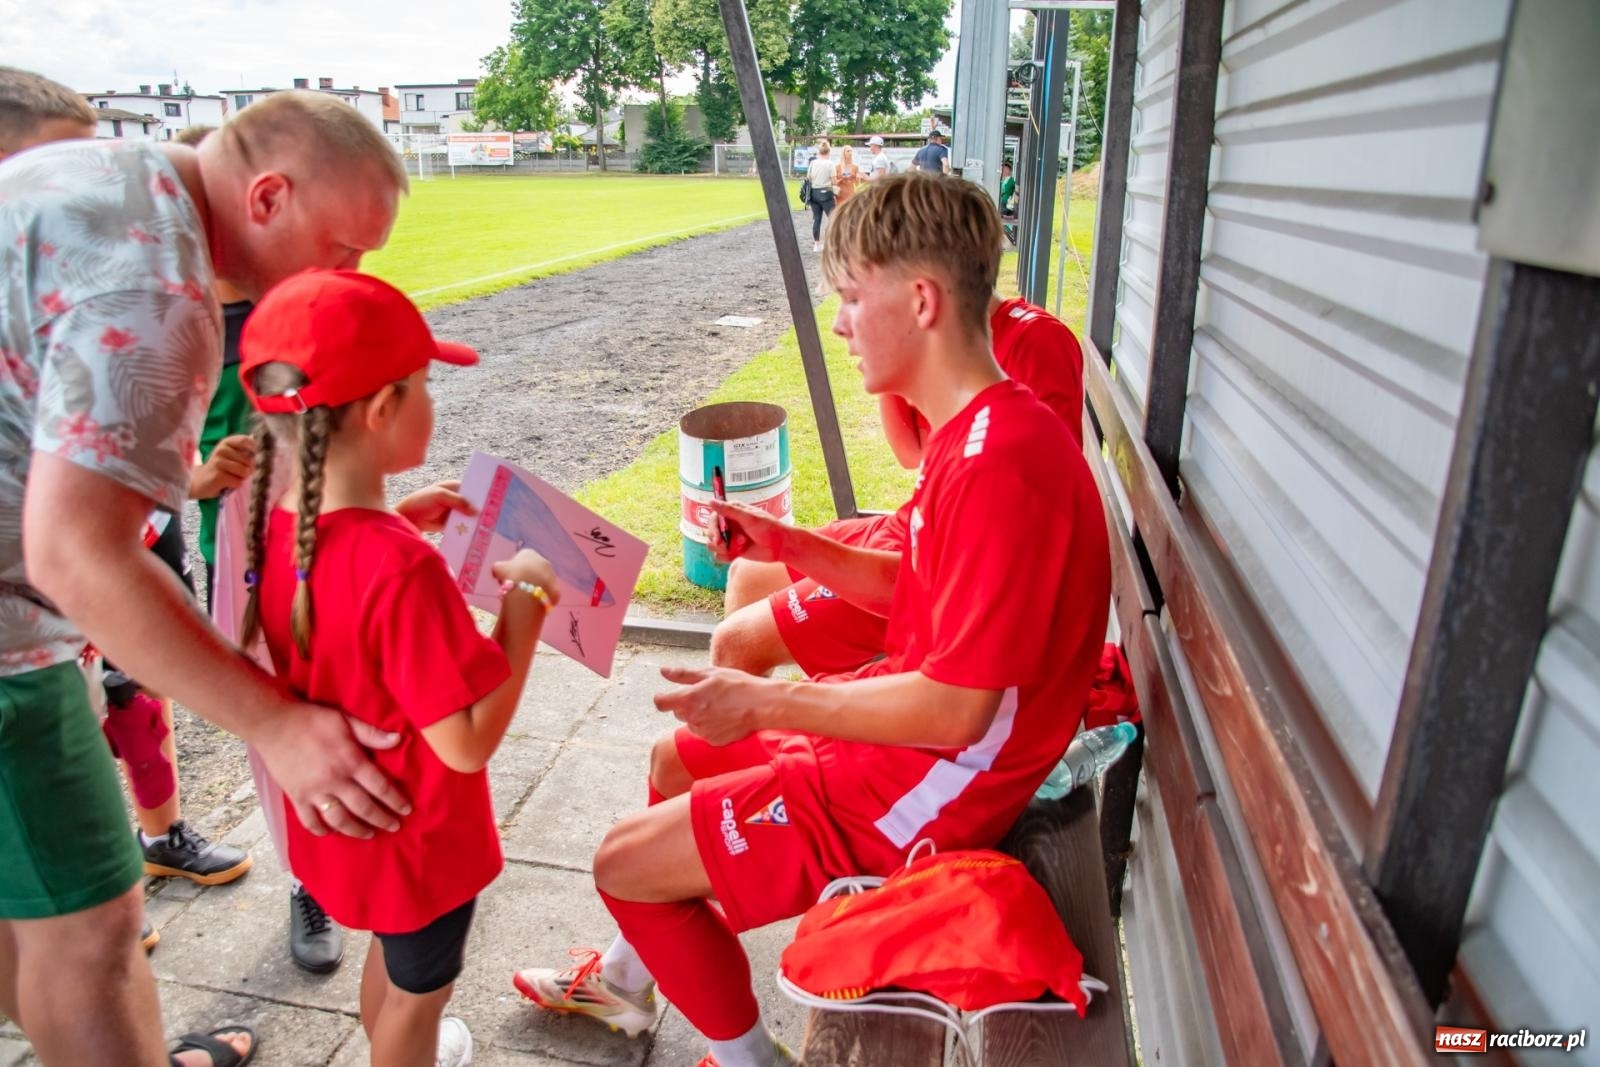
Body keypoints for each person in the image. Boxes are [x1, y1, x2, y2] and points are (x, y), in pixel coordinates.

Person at [512, 172, 1111, 1067]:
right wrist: (788, 542)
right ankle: (637, 977)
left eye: (850, 296)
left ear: (920, 300)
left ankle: (749, 1055)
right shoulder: (981, 430)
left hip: (928, 788)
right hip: (909, 755)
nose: (839, 323)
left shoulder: (999, 465)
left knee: (619, 862)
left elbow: (957, 710)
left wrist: (768, 707)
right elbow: (918, 586)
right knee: (673, 758)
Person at [1, 84, 414, 1067]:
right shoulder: (157, 293)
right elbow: (80, 550)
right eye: (344, 250)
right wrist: (275, 720)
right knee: (94, 932)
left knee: (23, 903)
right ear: (265, 197)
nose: (349, 280)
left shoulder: (94, 175)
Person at [238, 269, 561, 1067]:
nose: (430, 402)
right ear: (383, 411)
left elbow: (347, 604)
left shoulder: (279, 527)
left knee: (394, 968)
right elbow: (466, 741)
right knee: (422, 996)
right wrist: (522, 607)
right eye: (422, 387)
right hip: (420, 839)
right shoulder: (403, 570)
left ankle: (388, 1042)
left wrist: (395, 519)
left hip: (348, 836)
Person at [170, 121, 344, 974]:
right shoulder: (173, 315)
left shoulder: (301, 301)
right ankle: (306, 877)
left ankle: (346, 858)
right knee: (274, 713)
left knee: (335, 697)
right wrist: (198, 477)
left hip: (325, 534)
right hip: (243, 551)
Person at [712, 286, 1086, 679]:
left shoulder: (1033, 344)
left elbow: (1015, 537)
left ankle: (754, 714)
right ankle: (752, 712)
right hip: (915, 528)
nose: (844, 325)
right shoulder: (938, 344)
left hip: (950, 571)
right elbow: (913, 452)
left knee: (735, 643)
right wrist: (887, 376)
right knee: (746, 575)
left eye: (861, 295)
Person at [804, 138, 838, 252]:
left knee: (817, 219)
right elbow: (834, 181)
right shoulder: (830, 164)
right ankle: (829, 242)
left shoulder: (813, 163)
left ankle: (816, 244)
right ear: (828, 152)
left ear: (819, 152)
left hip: (814, 193)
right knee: (833, 218)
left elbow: (808, 178)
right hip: (826, 194)